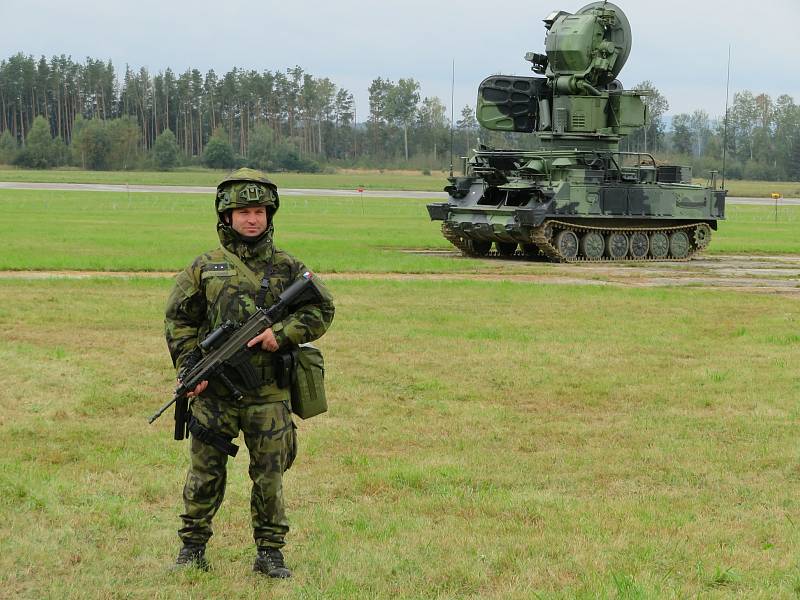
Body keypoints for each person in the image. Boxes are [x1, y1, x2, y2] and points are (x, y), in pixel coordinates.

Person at [164, 168, 334, 577]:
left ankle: (270, 553)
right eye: (243, 212)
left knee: (270, 476)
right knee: (205, 473)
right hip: (215, 395)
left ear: (269, 216)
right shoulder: (204, 268)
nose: (252, 219)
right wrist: (191, 368)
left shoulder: (288, 267)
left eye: (259, 211)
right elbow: (179, 321)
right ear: (226, 217)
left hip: (269, 393)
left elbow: (321, 309)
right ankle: (192, 548)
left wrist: (282, 333)